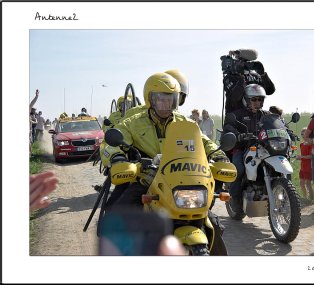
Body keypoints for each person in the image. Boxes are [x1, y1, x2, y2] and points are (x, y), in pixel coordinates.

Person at [100, 72, 229, 255]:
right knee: (117, 215)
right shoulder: (133, 122)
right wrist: (117, 158)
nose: (165, 104)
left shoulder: (186, 123)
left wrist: (219, 156)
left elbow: (205, 142)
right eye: (160, 99)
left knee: (212, 221)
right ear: (149, 99)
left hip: (179, 181)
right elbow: (109, 143)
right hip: (146, 179)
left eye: (170, 99)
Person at [223, 83, 270, 213]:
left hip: (263, 148)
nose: (257, 102)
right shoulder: (237, 114)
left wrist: (286, 131)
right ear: (246, 99)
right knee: (238, 169)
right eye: (254, 99)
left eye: (260, 99)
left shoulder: (266, 114)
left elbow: (277, 124)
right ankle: (235, 199)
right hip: (243, 148)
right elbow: (228, 126)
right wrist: (238, 135)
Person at [222, 49, 276, 114]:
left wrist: (263, 74)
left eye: (246, 61)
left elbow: (270, 91)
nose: (244, 64)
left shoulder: (255, 76)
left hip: (254, 117)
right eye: (240, 61)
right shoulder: (229, 77)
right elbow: (235, 97)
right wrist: (240, 76)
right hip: (235, 118)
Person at [296, 127, 314, 200]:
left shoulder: (311, 144)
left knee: (308, 183)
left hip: (309, 167)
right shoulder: (301, 144)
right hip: (302, 167)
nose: (303, 136)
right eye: (302, 134)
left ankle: (311, 198)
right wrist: (299, 156)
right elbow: (303, 154)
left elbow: (311, 156)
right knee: (301, 183)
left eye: (304, 134)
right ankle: (305, 197)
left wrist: (301, 157)